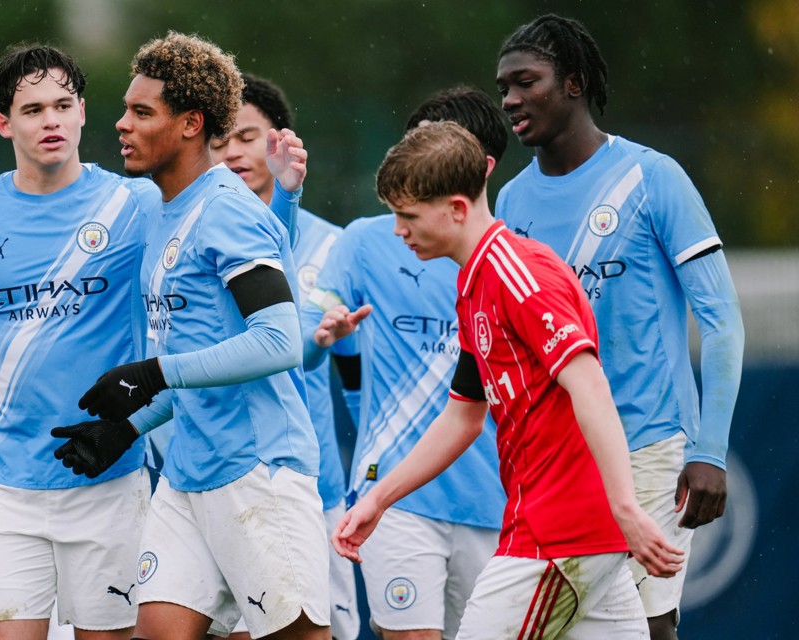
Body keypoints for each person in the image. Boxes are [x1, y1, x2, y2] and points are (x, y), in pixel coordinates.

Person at [0, 42, 307, 640]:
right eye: (32, 110)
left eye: (63, 104)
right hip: (6, 486)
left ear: (83, 112)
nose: (52, 120)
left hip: (112, 480)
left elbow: (249, 279)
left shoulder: (140, 202)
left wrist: (286, 199)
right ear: (4, 124)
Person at [333, 121, 685, 638]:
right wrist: (378, 499)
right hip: (581, 538)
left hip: (553, 539)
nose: (398, 231)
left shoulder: (518, 276)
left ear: (456, 208)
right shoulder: (476, 282)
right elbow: (462, 418)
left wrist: (627, 508)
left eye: (407, 216)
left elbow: (588, 385)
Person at [51, 32, 330, 640]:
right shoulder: (157, 210)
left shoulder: (229, 210)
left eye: (142, 112)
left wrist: (152, 373)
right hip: (186, 473)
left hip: (257, 471)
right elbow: (203, 359)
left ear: (190, 124)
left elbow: (278, 343)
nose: (122, 124)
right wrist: (128, 426)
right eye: (126, 108)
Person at [494, 14, 744, 639]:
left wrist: (709, 450)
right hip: (554, 460)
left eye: (528, 81)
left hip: (649, 446)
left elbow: (723, 321)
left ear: (575, 84)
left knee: (648, 625)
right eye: (504, 86)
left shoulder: (653, 177)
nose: (510, 100)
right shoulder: (512, 203)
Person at [308, 87, 508, 640]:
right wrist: (321, 327)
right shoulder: (370, 240)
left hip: (495, 499)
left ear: (479, 168)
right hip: (393, 494)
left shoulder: (514, 261)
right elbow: (318, 308)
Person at [209, 73, 359, 640]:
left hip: (308, 485)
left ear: (281, 141)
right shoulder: (194, 239)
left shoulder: (331, 245)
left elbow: (301, 349)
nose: (232, 152)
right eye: (220, 138)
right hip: (215, 475)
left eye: (247, 137)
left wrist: (318, 342)